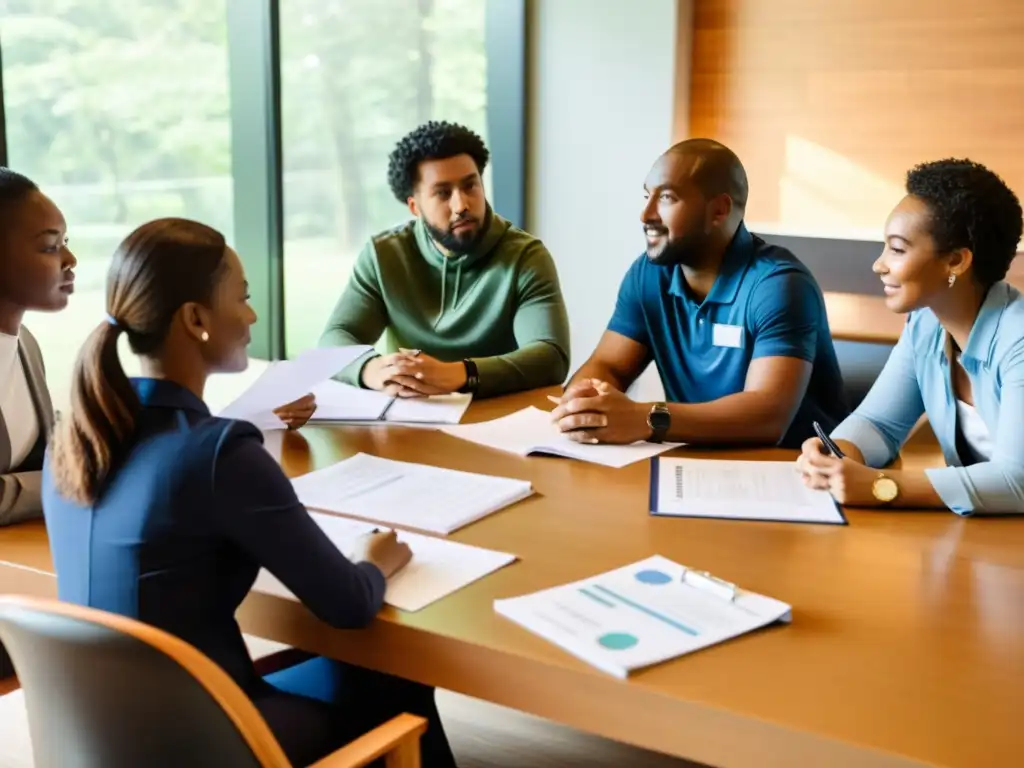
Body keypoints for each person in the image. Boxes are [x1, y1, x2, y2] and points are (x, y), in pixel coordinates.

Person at [42, 219, 457, 766]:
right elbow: (349, 604)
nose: (253, 315)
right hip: (207, 743)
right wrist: (373, 560)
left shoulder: (73, 442)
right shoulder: (219, 453)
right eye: (242, 297)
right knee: (396, 680)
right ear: (195, 319)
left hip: (104, 737)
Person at [551, 139, 847, 448]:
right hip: (696, 462)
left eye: (666, 197)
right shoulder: (649, 275)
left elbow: (767, 417)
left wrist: (646, 419)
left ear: (718, 210)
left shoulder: (779, 285)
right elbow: (610, 365)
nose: (645, 214)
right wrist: (583, 401)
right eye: (646, 196)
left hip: (795, 469)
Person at [798, 159, 1024, 515]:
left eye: (898, 249)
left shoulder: (1019, 339)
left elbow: (1017, 481)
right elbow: (879, 423)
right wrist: (837, 454)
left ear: (956, 261)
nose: (879, 264)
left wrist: (879, 487)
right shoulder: (926, 326)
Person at [319, 120, 570, 399]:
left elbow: (551, 356)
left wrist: (461, 374)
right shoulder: (384, 255)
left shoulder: (525, 256)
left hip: (499, 418)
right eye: (442, 193)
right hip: (410, 417)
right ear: (414, 205)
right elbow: (335, 337)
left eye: (470, 186)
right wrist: (372, 369)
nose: (461, 205)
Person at [0, 168, 70, 527]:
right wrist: (66, 481)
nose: (69, 261)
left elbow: (44, 458)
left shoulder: (25, 345)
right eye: (51, 246)